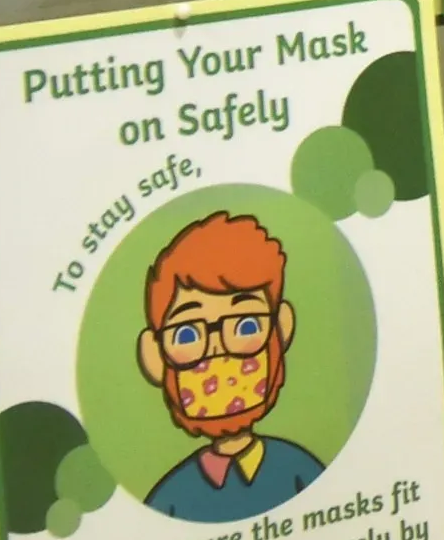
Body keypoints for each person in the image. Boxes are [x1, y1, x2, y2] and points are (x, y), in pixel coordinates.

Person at [134, 212, 326, 522]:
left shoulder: (299, 471)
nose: (218, 354)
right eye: (187, 334)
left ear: (280, 329)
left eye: (246, 325)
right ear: (156, 357)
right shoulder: (171, 498)